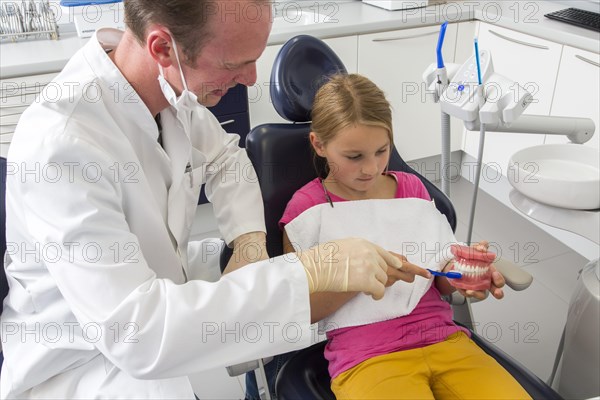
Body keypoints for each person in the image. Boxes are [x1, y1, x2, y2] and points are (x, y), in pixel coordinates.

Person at [0, 2, 428, 398]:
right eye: (234, 63)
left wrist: (248, 242)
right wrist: (308, 272)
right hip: (85, 361)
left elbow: (227, 158)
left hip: (157, 285)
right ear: (163, 47)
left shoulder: (170, 96)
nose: (253, 79)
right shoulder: (62, 145)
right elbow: (139, 334)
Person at [279, 73, 532, 400]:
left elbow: (438, 280)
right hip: (367, 357)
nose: (370, 168)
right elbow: (301, 310)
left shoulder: (411, 189)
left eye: (382, 151)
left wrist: (467, 276)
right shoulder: (307, 209)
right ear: (319, 145)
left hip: (445, 340)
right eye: (354, 157)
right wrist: (364, 276)